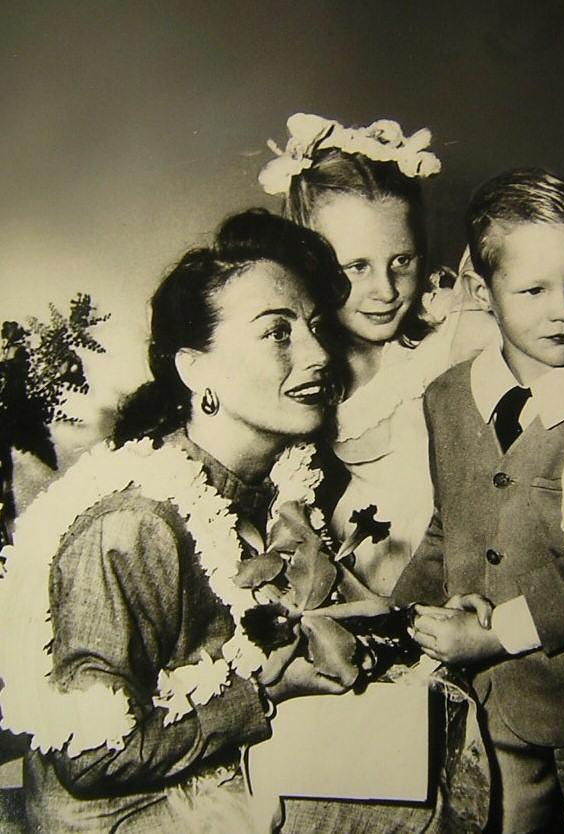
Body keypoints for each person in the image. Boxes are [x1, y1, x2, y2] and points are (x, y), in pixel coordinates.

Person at [0, 209, 353, 834]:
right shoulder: (133, 526)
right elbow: (90, 754)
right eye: (278, 333)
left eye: (316, 328)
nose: (320, 354)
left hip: (240, 780)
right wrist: (264, 693)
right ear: (196, 371)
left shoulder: (276, 491)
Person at [260, 114, 564, 597]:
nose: (385, 290)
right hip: (365, 568)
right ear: (311, 265)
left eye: (402, 260)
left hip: (468, 564)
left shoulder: (449, 330)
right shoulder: (303, 365)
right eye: (356, 267)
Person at [393, 168, 564, 833]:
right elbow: (447, 528)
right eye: (533, 289)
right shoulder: (446, 399)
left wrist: (493, 633)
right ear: (481, 292)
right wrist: (401, 619)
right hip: (490, 711)